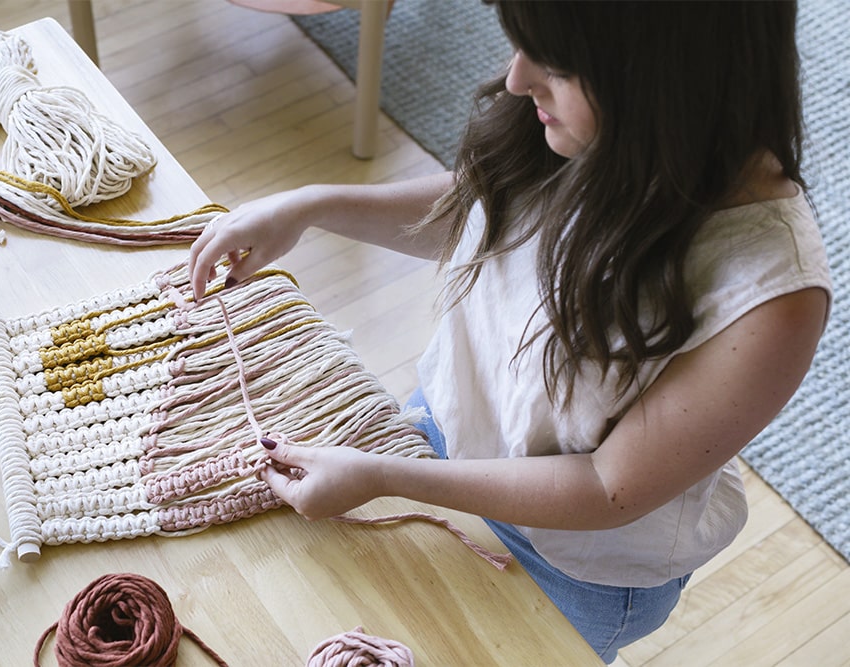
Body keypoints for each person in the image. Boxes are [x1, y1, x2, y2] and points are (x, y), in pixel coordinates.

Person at [188, 1, 832, 662]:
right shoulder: (590, 113)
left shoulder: (772, 297)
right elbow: (484, 209)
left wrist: (383, 475)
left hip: (572, 566)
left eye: (551, 64)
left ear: (664, 79)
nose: (516, 79)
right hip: (438, 436)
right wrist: (310, 207)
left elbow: (607, 487)